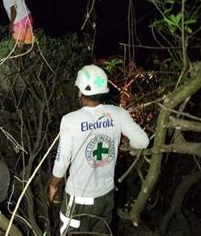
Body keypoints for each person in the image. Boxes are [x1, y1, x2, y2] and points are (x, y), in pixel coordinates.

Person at [48, 65, 149, 235]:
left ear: (80, 92)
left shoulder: (70, 120)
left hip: (79, 198)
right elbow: (142, 141)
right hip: (106, 197)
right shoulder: (118, 114)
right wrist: (128, 147)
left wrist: (52, 186)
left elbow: (62, 161)